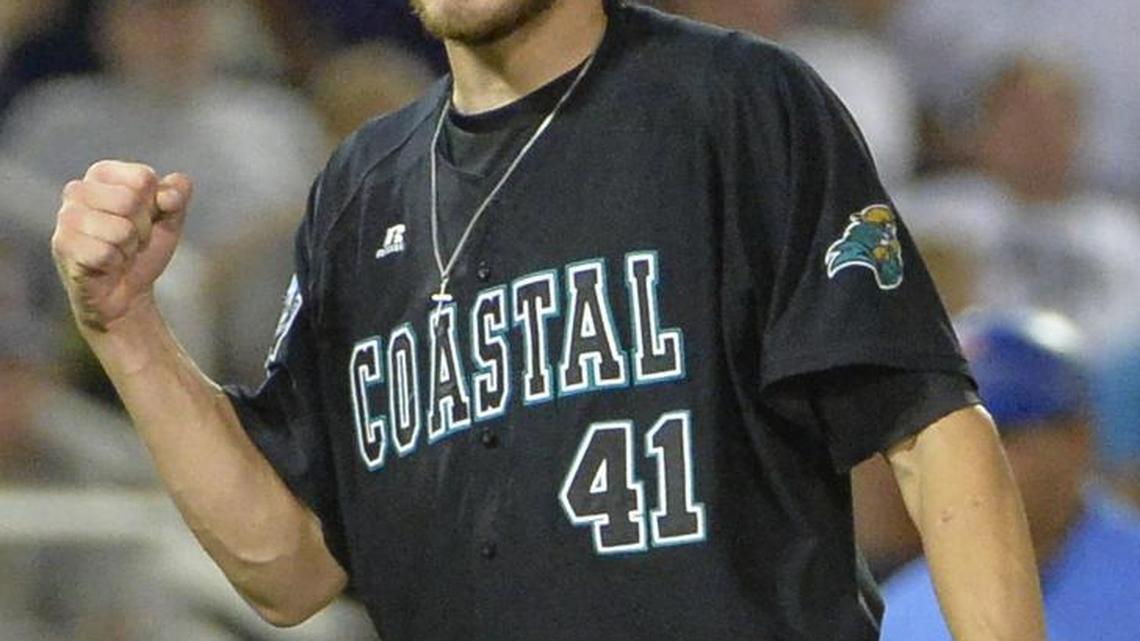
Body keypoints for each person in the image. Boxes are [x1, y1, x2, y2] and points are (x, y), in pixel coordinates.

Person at [49, 1, 1046, 639]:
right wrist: (129, 329)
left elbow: (930, 426)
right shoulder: (358, 193)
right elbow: (289, 565)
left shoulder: (735, 103)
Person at [882, 308, 1140, 641]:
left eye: (1002, 435)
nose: (969, 461)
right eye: (948, 441)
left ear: (1077, 437)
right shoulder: (899, 614)